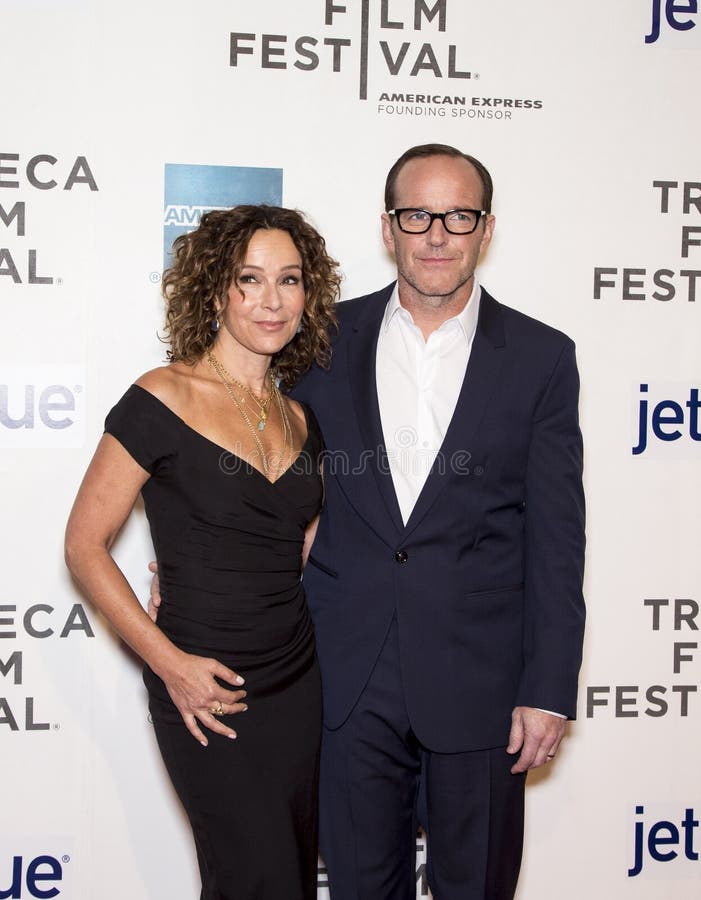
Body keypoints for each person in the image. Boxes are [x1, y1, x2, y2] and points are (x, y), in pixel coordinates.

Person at [290, 144, 586, 899]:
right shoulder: (316, 344)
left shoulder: (541, 358)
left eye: (458, 216)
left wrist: (548, 686)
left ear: (485, 230)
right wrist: (194, 578)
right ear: (387, 229)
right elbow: (262, 479)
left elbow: (556, 537)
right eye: (416, 214)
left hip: (481, 680)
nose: (436, 235)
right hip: (346, 674)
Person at [65, 205, 340, 900]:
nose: (271, 300)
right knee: (254, 876)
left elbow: (293, 546)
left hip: (295, 680)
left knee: (284, 879)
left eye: (289, 280)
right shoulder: (161, 396)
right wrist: (170, 663)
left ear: (309, 295)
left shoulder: (302, 419)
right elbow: (84, 545)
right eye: (249, 280)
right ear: (217, 291)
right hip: (204, 685)